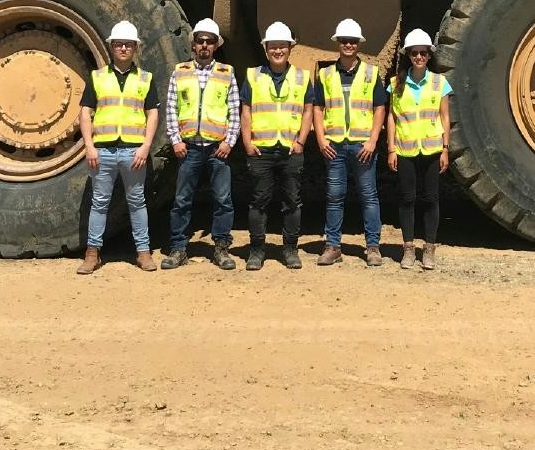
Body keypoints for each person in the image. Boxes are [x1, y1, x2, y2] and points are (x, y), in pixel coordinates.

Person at [76, 21, 161, 274]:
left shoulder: (146, 79)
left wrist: (146, 146)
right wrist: (89, 146)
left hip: (133, 152)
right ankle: (92, 254)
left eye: (128, 44)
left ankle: (143, 253)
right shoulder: (97, 77)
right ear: (111, 47)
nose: (123, 48)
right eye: (118, 44)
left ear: (135, 48)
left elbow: (153, 114)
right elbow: (85, 113)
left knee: (137, 202)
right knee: (99, 202)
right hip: (103, 151)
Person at [162, 17, 241, 271]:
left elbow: (234, 111)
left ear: (216, 45)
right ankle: (178, 248)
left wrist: (229, 142)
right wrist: (175, 140)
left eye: (209, 41)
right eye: (200, 41)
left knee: (223, 200)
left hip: (218, 149)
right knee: (182, 200)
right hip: (189, 148)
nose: (204, 45)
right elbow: (171, 108)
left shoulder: (226, 73)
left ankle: (221, 248)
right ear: (193, 45)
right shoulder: (180, 72)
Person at [313, 17, 388, 266]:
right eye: (344, 40)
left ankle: (373, 248)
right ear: (338, 43)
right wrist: (321, 139)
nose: (348, 44)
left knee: (369, 196)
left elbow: (380, 108)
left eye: (352, 41)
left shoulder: (370, 73)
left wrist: (373, 140)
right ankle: (333, 246)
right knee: (335, 196)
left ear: (358, 44)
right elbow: (318, 108)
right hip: (334, 145)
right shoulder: (324, 75)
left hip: (362, 146)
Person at [240, 21, 312, 270]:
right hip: (262, 149)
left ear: (290, 49)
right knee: (259, 201)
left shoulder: (302, 77)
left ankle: (290, 249)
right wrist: (247, 142)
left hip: (291, 149)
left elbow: (308, 111)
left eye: (282, 46)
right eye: (273, 46)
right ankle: (257, 250)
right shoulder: (253, 75)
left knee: (292, 201)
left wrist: (301, 140)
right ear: (266, 49)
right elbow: (246, 111)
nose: (278, 51)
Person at [385, 28, 451, 271]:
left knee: (431, 199)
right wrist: (391, 149)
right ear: (408, 55)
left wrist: (445, 149)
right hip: (405, 150)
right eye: (415, 53)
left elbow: (445, 117)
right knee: (407, 199)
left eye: (423, 53)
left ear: (429, 56)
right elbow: (391, 118)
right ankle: (409, 249)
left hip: (432, 149)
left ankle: (429, 249)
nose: (420, 57)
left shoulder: (439, 82)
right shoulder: (395, 84)